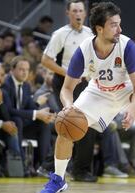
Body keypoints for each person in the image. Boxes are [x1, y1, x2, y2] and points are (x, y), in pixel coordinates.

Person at [38, 2, 135, 193]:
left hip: (129, 88)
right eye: (114, 25)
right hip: (99, 91)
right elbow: (66, 89)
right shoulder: (84, 50)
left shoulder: (127, 45)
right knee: (65, 125)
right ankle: (58, 179)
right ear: (99, 29)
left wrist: (133, 109)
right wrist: (68, 106)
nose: (120, 29)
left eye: (119, 24)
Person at [41, 0, 97, 182]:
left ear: (85, 14)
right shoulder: (60, 34)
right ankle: (54, 167)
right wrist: (69, 73)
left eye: (81, 10)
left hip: (86, 83)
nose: (78, 14)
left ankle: (78, 170)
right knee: (70, 121)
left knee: (86, 125)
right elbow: (46, 60)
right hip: (64, 82)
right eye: (74, 11)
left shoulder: (91, 34)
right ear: (68, 13)